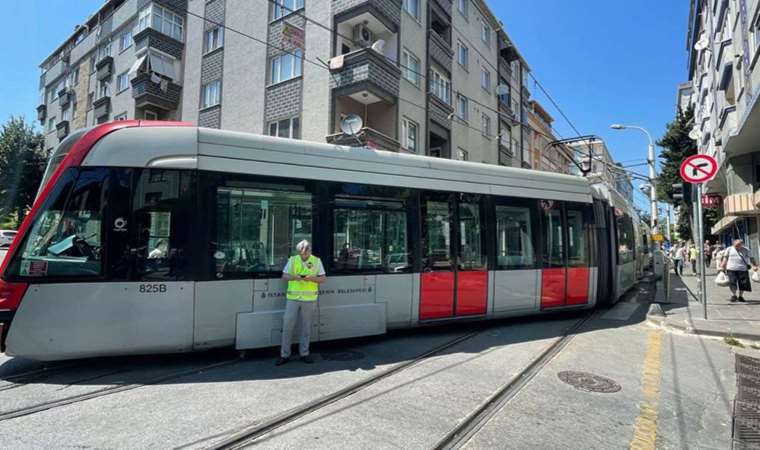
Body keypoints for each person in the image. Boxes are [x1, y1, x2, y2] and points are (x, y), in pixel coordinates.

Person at [277, 240, 326, 365]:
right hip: (293, 298)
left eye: (305, 253)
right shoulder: (293, 260)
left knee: (306, 328)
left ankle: (304, 353)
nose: (303, 255)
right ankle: (284, 355)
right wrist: (295, 277)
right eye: (301, 253)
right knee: (287, 326)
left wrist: (311, 279)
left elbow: (323, 279)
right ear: (298, 251)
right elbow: (284, 276)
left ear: (309, 251)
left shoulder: (317, 261)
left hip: (309, 300)